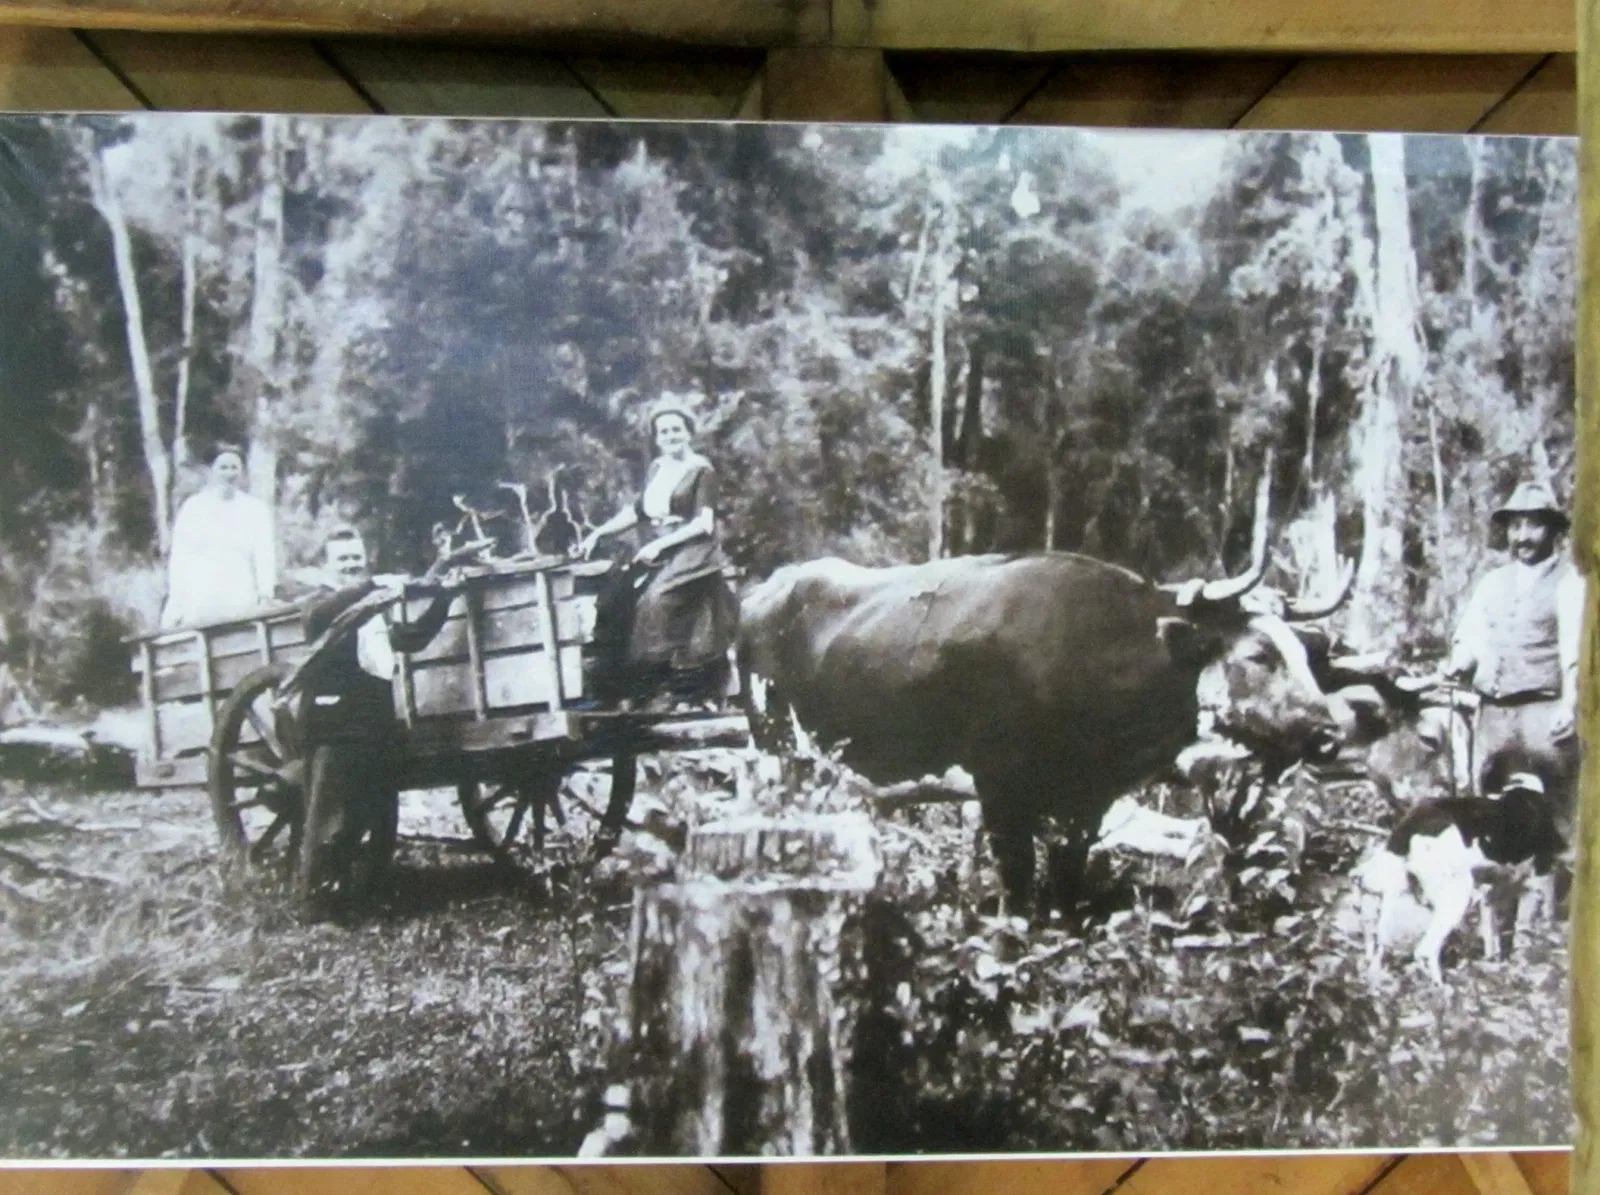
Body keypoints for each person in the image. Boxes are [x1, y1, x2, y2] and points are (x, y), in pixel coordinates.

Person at [294, 525, 458, 908]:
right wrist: (371, 585)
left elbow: (411, 638)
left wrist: (445, 597)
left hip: (374, 725)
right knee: (326, 820)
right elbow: (327, 615)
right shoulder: (320, 604)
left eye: (356, 557)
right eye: (343, 559)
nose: (351, 565)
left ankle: (364, 897)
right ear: (327, 565)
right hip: (334, 727)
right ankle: (315, 907)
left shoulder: (374, 610)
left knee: (374, 816)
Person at [576, 400, 738, 709]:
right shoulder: (658, 468)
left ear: (689, 433)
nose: (670, 436)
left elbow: (703, 525)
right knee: (617, 597)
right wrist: (599, 533)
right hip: (662, 548)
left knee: (657, 601)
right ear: (656, 437)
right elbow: (637, 511)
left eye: (676, 429)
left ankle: (665, 685)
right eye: (663, 431)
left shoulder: (702, 470)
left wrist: (659, 545)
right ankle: (615, 685)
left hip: (695, 551)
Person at [1445, 479, 1585, 834]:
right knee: (1486, 812)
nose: (1522, 536)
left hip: (1544, 714)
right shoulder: (1493, 582)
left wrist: (1570, 704)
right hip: (1493, 716)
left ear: (1553, 530)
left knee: (1561, 814)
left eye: (1533, 525)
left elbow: (1574, 648)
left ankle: (1561, 881)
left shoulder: (1571, 582)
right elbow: (1474, 634)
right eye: (1515, 525)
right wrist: (1461, 659)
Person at [159, 445, 277, 628]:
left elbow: (264, 554)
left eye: (234, 468)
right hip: (201, 596)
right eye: (223, 467)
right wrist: (176, 603)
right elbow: (181, 558)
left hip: (240, 595)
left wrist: (265, 594)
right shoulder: (194, 508)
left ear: (242, 472)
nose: (229, 473)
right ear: (212, 471)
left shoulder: (255, 509)